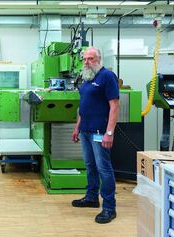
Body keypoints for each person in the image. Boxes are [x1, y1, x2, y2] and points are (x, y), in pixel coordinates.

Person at [71, 47, 120, 224]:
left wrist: (109, 132)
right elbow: (84, 106)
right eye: (84, 59)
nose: (86, 62)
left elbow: (114, 106)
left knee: (103, 169)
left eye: (90, 59)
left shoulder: (107, 76)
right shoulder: (87, 78)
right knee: (90, 165)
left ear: (99, 59)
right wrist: (77, 127)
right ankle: (92, 197)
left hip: (100, 132)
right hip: (85, 130)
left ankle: (109, 207)